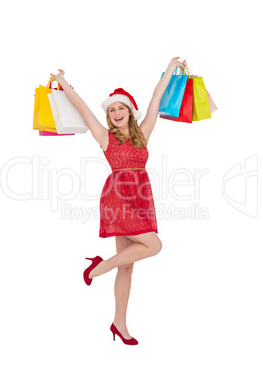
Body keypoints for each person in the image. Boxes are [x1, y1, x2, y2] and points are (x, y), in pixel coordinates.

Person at [50, 57, 186, 345]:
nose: (115, 112)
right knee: (154, 245)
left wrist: (172, 67)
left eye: (120, 107)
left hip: (141, 198)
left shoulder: (144, 132)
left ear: (129, 111)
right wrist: (62, 81)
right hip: (117, 198)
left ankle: (119, 324)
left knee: (128, 266)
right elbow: (82, 107)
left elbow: (156, 98)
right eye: (111, 109)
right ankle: (99, 267)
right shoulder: (104, 137)